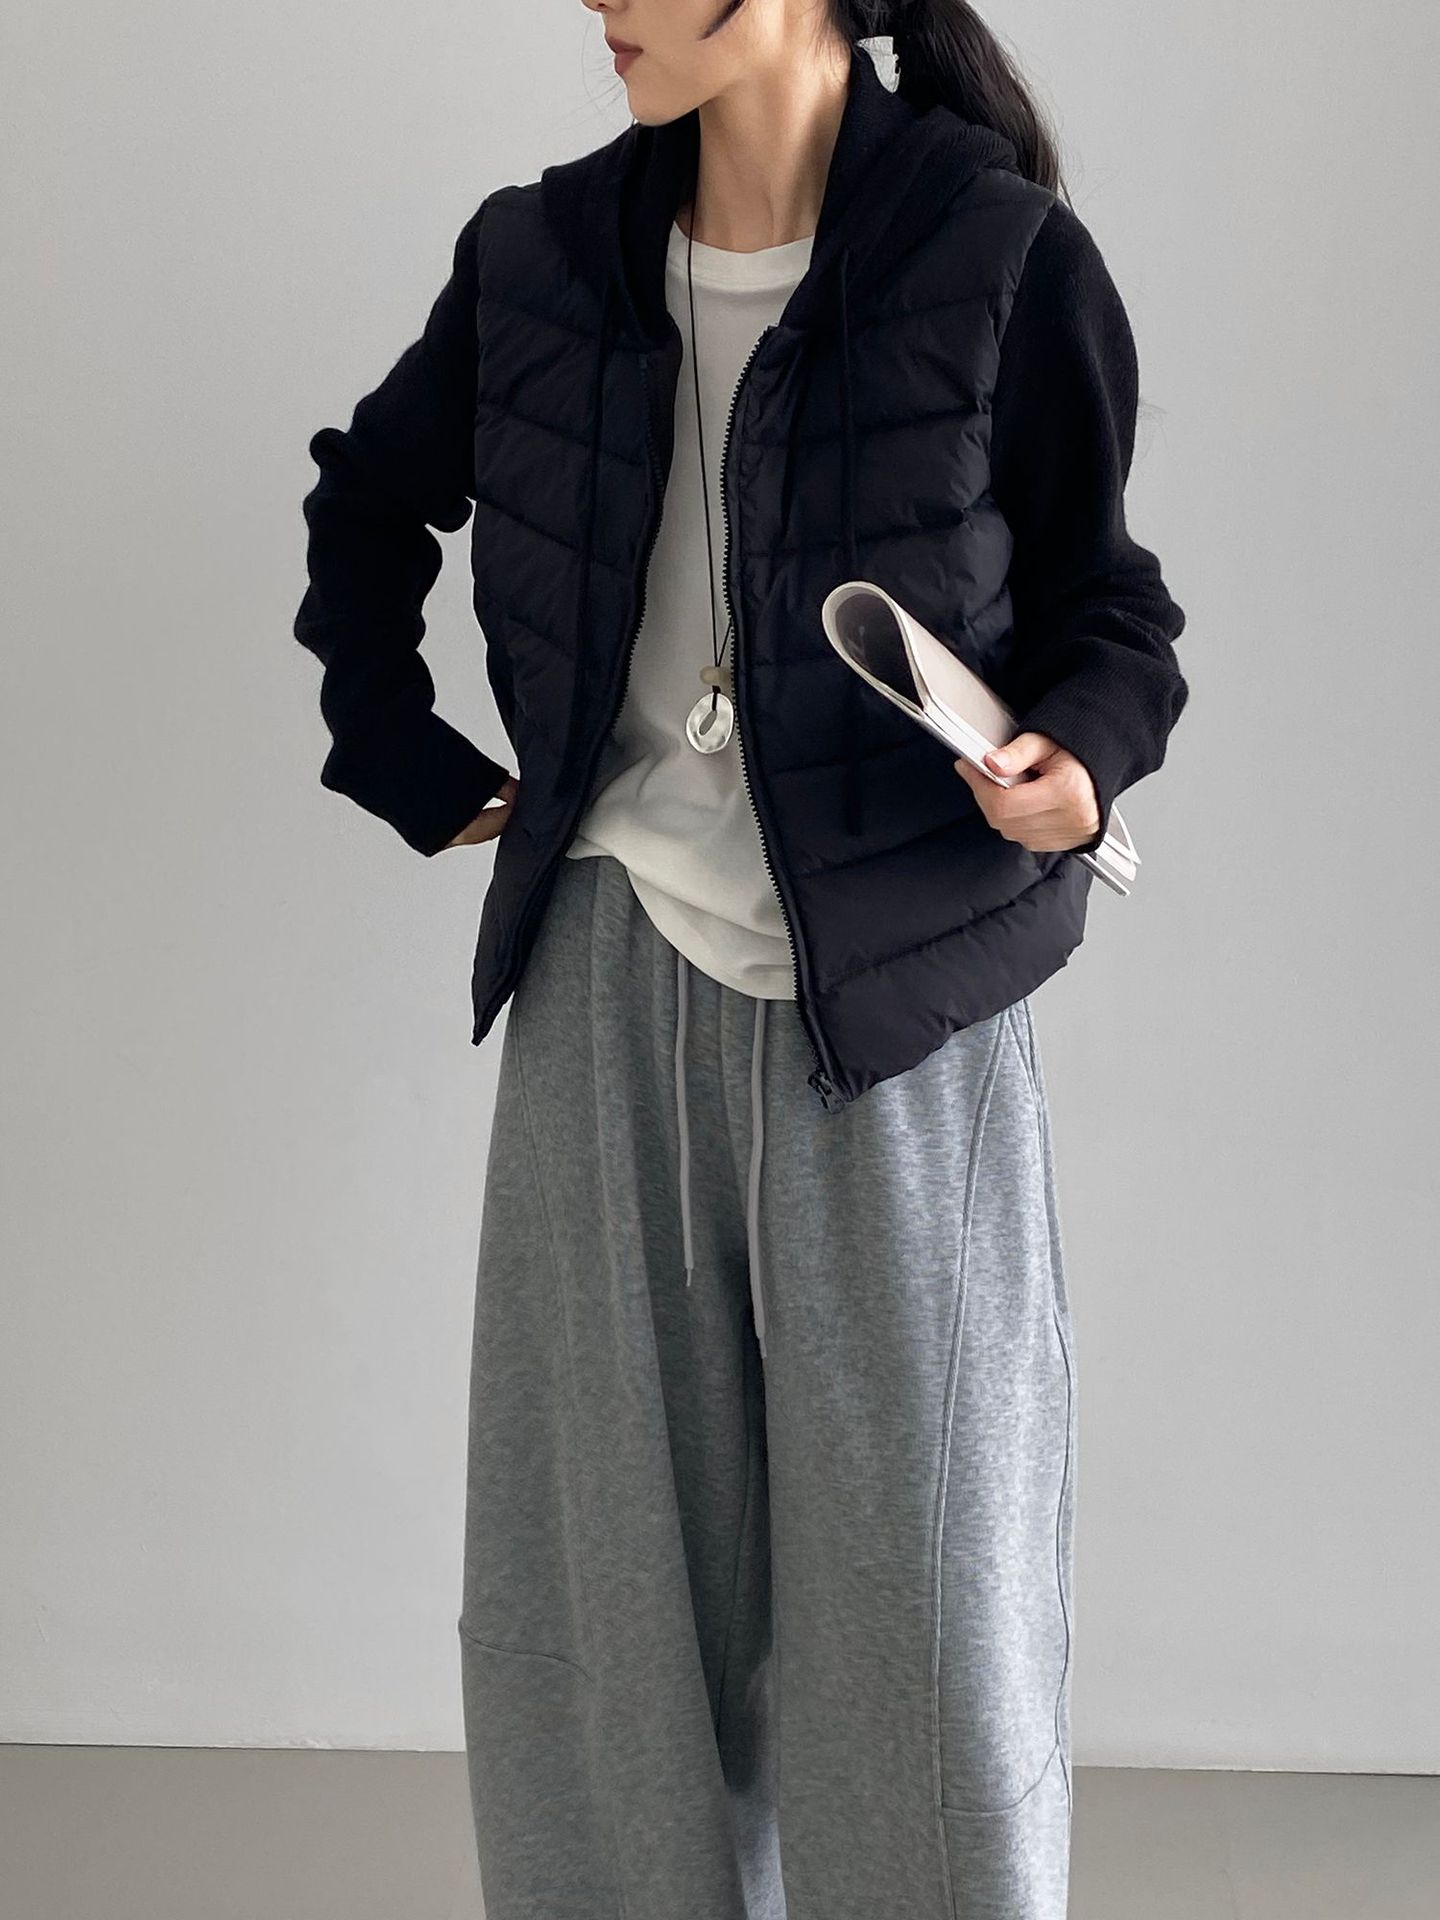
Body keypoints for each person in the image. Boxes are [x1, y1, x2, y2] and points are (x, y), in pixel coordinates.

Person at [293, 5, 1189, 1915]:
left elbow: (1114, 607)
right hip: (604, 980)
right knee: (597, 1622)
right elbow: (365, 502)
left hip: (897, 1015)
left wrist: (1079, 760)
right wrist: (401, 755)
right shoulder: (535, 256)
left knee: (925, 1624)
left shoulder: (997, 253)